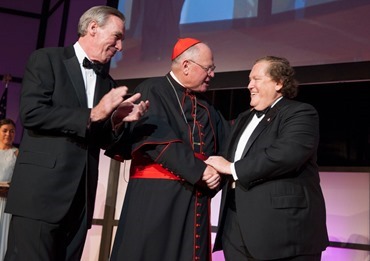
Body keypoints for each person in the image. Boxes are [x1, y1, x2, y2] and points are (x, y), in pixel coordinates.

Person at [5, 6, 149, 261]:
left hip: (80, 200)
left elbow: (104, 141)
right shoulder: (47, 59)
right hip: (41, 195)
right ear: (93, 28)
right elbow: (32, 114)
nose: (120, 47)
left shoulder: (109, 83)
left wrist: (116, 121)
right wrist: (93, 114)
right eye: (116, 37)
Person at [106, 38, 229, 261]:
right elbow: (155, 138)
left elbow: (227, 144)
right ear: (186, 66)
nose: (212, 74)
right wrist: (199, 171)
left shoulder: (207, 106)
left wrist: (219, 173)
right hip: (156, 197)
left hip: (194, 195)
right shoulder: (152, 89)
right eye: (208, 68)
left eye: (213, 69)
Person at [205, 56, 329, 260]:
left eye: (256, 79)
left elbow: (286, 155)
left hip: (282, 231)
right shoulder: (244, 118)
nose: (249, 86)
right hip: (235, 229)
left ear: (279, 83)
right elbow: (225, 158)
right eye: (249, 79)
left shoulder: (300, 113)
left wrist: (232, 168)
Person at [0, 118, 18, 260]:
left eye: (12, 131)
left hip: (7, 203)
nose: (8, 134)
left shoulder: (18, 154)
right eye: (4, 131)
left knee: (4, 237)